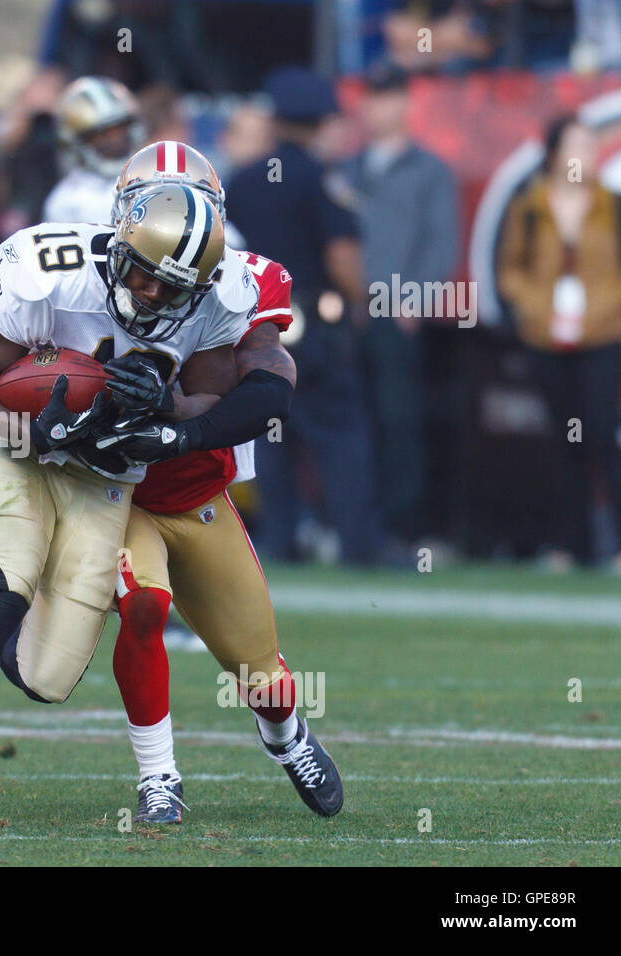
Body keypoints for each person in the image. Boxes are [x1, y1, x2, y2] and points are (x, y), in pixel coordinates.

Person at [0, 183, 286, 825]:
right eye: (142, 274)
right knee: (7, 587)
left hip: (107, 474)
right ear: (116, 246)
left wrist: (166, 406)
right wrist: (28, 430)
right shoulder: (54, 278)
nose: (152, 295)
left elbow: (209, 405)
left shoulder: (220, 301)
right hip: (20, 446)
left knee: (47, 678)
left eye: (172, 286)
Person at [106, 145, 341, 822]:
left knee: (263, 674)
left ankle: (286, 737)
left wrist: (178, 427)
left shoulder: (239, 281)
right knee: (143, 606)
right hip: (111, 492)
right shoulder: (73, 268)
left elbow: (268, 388)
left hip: (194, 490)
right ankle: (159, 778)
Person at [225, 66, 383, 565]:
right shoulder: (323, 179)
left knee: (270, 437)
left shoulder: (242, 180)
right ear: (322, 122)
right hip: (314, 325)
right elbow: (342, 256)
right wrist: (360, 304)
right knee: (339, 434)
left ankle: (280, 542)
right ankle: (358, 545)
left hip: (254, 328)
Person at [496, 114, 621, 572]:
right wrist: (535, 309)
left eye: (589, 147)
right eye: (574, 146)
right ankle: (574, 545)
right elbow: (511, 269)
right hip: (545, 338)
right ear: (553, 155)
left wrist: (605, 309)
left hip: (601, 336)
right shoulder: (529, 208)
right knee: (563, 440)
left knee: (602, 435)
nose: (583, 156)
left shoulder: (616, 206)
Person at [341, 62, 459, 553]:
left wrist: (414, 299)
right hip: (347, 310)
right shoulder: (346, 167)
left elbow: (441, 243)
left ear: (407, 103)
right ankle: (353, 526)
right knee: (350, 420)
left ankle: (402, 529)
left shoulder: (429, 169)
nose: (379, 106)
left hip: (395, 311)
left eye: (389, 96)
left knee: (399, 420)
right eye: (372, 96)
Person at [41, 75, 146, 224]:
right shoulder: (66, 203)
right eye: (101, 135)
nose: (115, 141)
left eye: (119, 129)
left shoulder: (157, 170)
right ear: (76, 143)